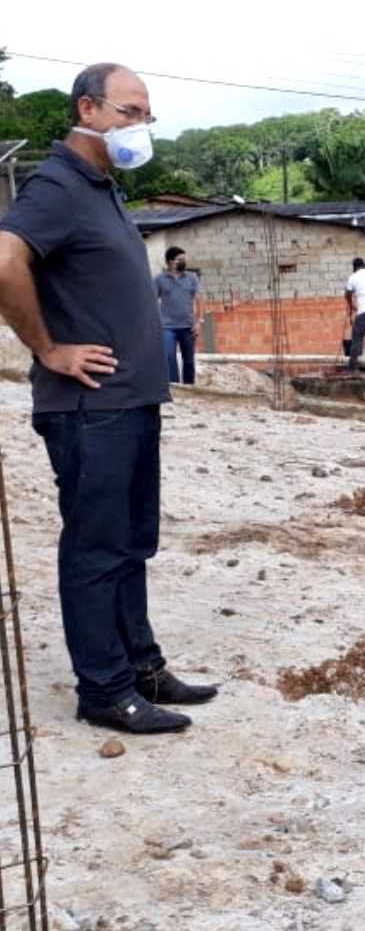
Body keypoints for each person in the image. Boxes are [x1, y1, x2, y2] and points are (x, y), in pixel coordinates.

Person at [0, 62, 218, 735]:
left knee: (130, 543)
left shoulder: (104, 188)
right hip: (89, 407)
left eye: (146, 115)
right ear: (88, 110)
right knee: (96, 549)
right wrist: (47, 348)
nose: (140, 126)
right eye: (129, 112)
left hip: (129, 401)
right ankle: (104, 691)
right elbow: (5, 259)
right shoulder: (58, 185)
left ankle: (141, 667)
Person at [155, 245, 204, 385]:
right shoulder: (159, 279)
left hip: (188, 326)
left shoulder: (192, 277)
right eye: (179, 259)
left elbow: (199, 299)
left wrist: (199, 321)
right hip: (167, 327)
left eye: (184, 259)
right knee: (169, 356)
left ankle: (189, 387)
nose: (183, 262)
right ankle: (175, 387)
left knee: (188, 360)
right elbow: (152, 300)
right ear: (170, 262)